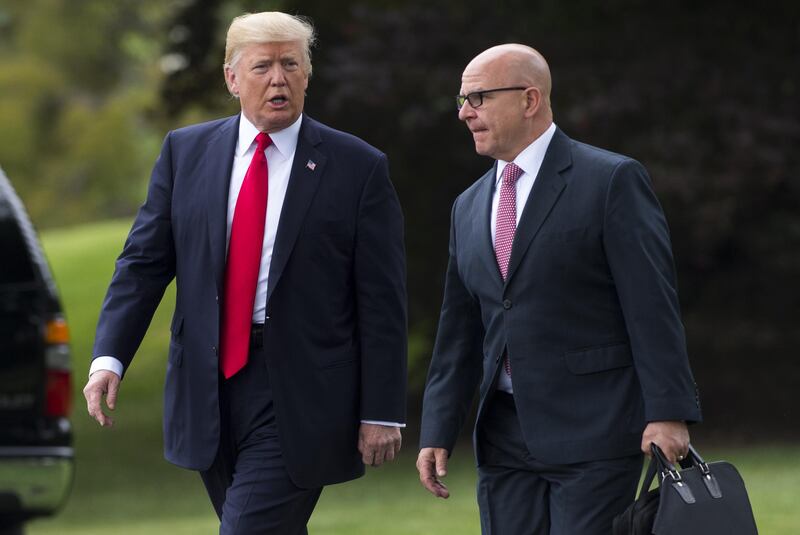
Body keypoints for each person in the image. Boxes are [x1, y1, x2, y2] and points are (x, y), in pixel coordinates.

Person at [83, 11, 407, 534]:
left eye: (290, 64)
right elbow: (143, 265)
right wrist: (109, 357)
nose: (278, 79)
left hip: (301, 393)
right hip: (207, 386)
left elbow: (382, 299)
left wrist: (382, 409)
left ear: (307, 74)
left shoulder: (357, 166)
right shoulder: (185, 153)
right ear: (232, 78)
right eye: (262, 66)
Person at [416, 44, 701, 535]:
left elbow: (651, 307)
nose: (465, 113)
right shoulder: (467, 206)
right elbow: (459, 330)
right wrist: (437, 428)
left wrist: (669, 413)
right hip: (503, 436)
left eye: (479, 97)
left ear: (530, 99)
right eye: (462, 100)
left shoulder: (611, 180)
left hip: (595, 430)